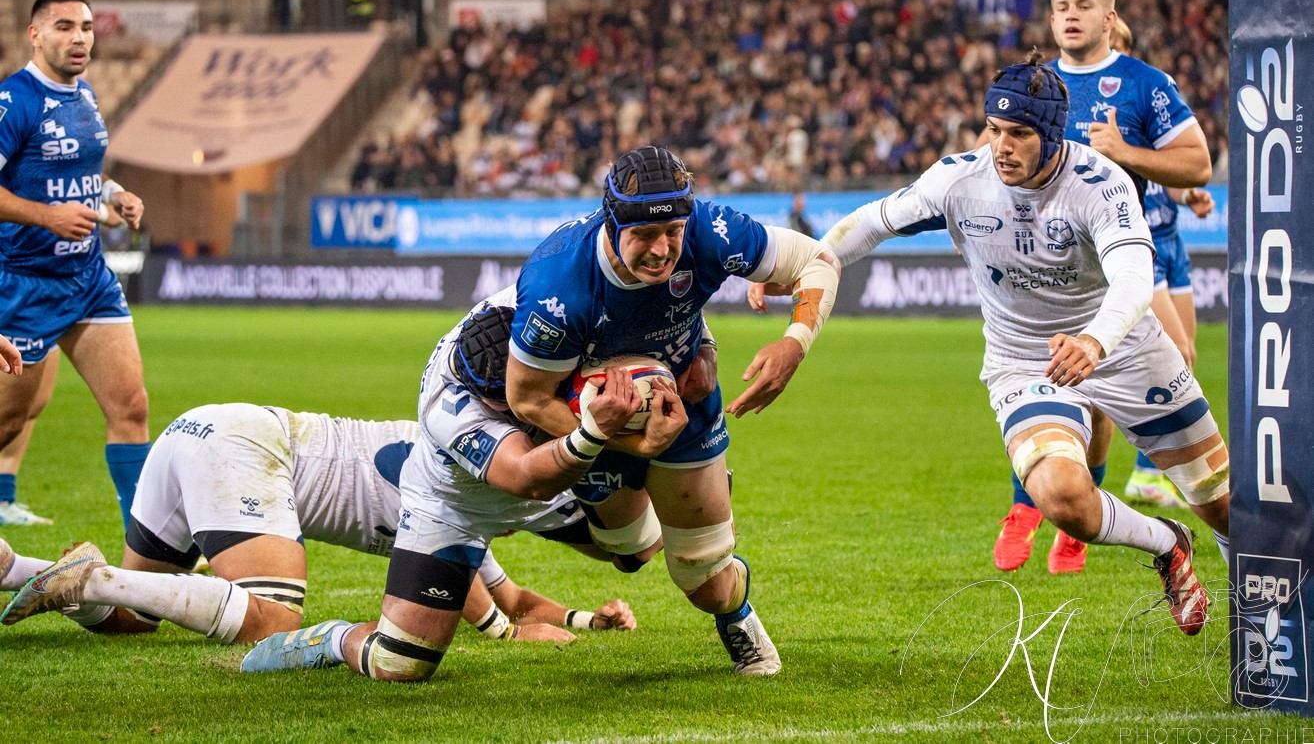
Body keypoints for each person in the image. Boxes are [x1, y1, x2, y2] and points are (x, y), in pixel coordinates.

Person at [780, 52, 1227, 636]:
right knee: (1064, 497)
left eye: (1019, 134)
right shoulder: (960, 179)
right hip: (1025, 360)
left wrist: (1095, 341)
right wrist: (799, 263)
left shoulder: (1100, 183)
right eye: (994, 129)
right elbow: (874, 221)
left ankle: (1265, 605)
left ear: (1051, 134)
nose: (1001, 146)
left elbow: (1135, 279)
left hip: (1125, 348)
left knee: (1220, 501)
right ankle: (1167, 543)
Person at [504, 146, 841, 676]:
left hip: (683, 406)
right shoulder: (558, 287)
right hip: (591, 421)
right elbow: (527, 397)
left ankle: (738, 618)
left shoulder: (710, 230)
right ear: (611, 223)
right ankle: (669, 502)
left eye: (673, 233)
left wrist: (793, 342)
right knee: (628, 553)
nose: (663, 251)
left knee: (703, 577)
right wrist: (615, 438)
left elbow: (818, 260)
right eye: (644, 236)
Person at [238, 290, 683, 679]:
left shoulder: (541, 311)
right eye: (504, 406)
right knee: (399, 663)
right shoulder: (451, 411)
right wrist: (600, 434)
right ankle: (327, 641)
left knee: (639, 547)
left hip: (551, 469)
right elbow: (530, 479)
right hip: (455, 502)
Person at [0, 400, 636, 645]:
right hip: (247, 451)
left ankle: (14, 569)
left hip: (204, 428)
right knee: (272, 620)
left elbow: (511, 596)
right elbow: (477, 601)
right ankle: (93, 579)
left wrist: (586, 619)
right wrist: (504, 636)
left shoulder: (474, 468)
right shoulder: (461, 492)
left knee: (131, 620)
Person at [990, 0, 1217, 575]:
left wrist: (1131, 156)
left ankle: (1101, 500)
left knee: (1154, 362)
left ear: (1109, 16)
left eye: (1084, 5)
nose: (1070, 14)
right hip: (1052, 264)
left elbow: (1197, 163)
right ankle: (1037, 506)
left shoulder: (1144, 84)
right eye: (1061, 5)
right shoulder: (1035, 87)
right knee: (1067, 375)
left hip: (1133, 253)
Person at [0, 0, 150, 528]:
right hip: (24, 284)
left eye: (86, 26)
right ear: (35, 34)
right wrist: (48, 216)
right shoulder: (14, 100)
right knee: (10, 420)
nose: (79, 37)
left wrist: (114, 197)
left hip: (87, 277)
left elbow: (85, 177)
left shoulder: (84, 96)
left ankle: (150, 549)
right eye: (64, 26)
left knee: (130, 408)